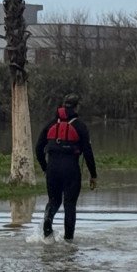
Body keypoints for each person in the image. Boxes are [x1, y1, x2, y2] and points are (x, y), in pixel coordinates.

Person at [35, 93, 97, 241]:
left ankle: (46, 232)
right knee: (69, 205)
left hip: (52, 169)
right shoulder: (80, 126)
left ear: (63, 106)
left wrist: (45, 168)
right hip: (71, 170)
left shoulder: (51, 124)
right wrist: (93, 175)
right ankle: (69, 242)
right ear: (77, 107)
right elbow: (88, 153)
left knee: (53, 201)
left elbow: (38, 148)